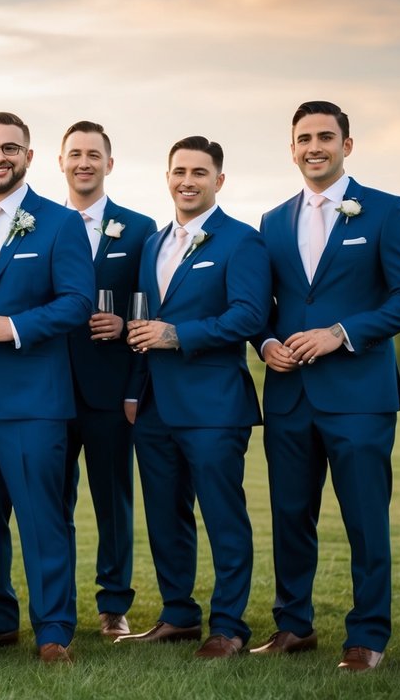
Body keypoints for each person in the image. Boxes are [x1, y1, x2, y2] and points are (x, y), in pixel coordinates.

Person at [251, 100, 400, 672]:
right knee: (290, 515)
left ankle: (368, 636)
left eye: (325, 136)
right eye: (303, 138)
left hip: (359, 395)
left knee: (364, 518)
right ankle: (293, 626)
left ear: (346, 145)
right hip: (290, 396)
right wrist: (266, 343)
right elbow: (268, 306)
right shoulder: (273, 221)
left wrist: (340, 333)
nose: (313, 147)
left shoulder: (385, 211)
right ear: (292, 148)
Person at [0, 111, 95, 664]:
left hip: (33, 399)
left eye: (11, 148)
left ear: (29, 157)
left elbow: (78, 301)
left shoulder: (59, 223)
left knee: (41, 519)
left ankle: (54, 631)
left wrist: (14, 327)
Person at [119, 136, 270, 659]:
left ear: (218, 181)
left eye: (199, 173)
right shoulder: (153, 244)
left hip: (213, 404)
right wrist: (134, 392)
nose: (188, 180)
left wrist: (178, 335)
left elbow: (250, 316)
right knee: (165, 514)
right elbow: (142, 324)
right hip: (155, 406)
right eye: (179, 171)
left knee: (223, 515)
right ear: (167, 178)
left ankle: (228, 627)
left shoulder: (241, 241)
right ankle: (178, 614)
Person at [59, 120, 156, 639]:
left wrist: (133, 381)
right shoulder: (40, 222)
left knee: (113, 500)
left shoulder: (139, 230)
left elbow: (152, 307)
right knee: (55, 502)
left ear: (109, 164)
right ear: (60, 162)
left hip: (110, 389)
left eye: (93, 154)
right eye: (75, 153)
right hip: (50, 387)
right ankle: (58, 606)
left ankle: (114, 604)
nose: (84, 162)